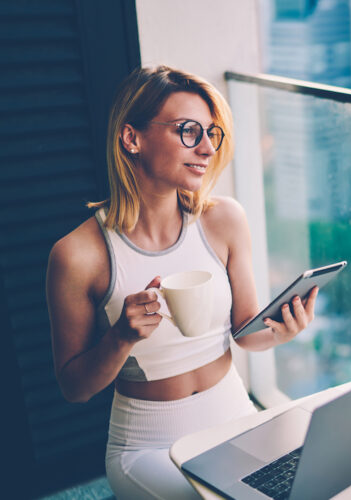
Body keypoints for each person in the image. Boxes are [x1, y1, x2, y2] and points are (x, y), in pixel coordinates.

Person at [45, 65, 318, 499]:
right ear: (131, 138)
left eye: (212, 133)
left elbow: (246, 335)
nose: (207, 148)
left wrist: (283, 330)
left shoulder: (224, 219)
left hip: (236, 417)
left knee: (318, 475)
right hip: (148, 445)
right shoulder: (78, 255)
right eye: (189, 131)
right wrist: (120, 337)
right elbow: (74, 388)